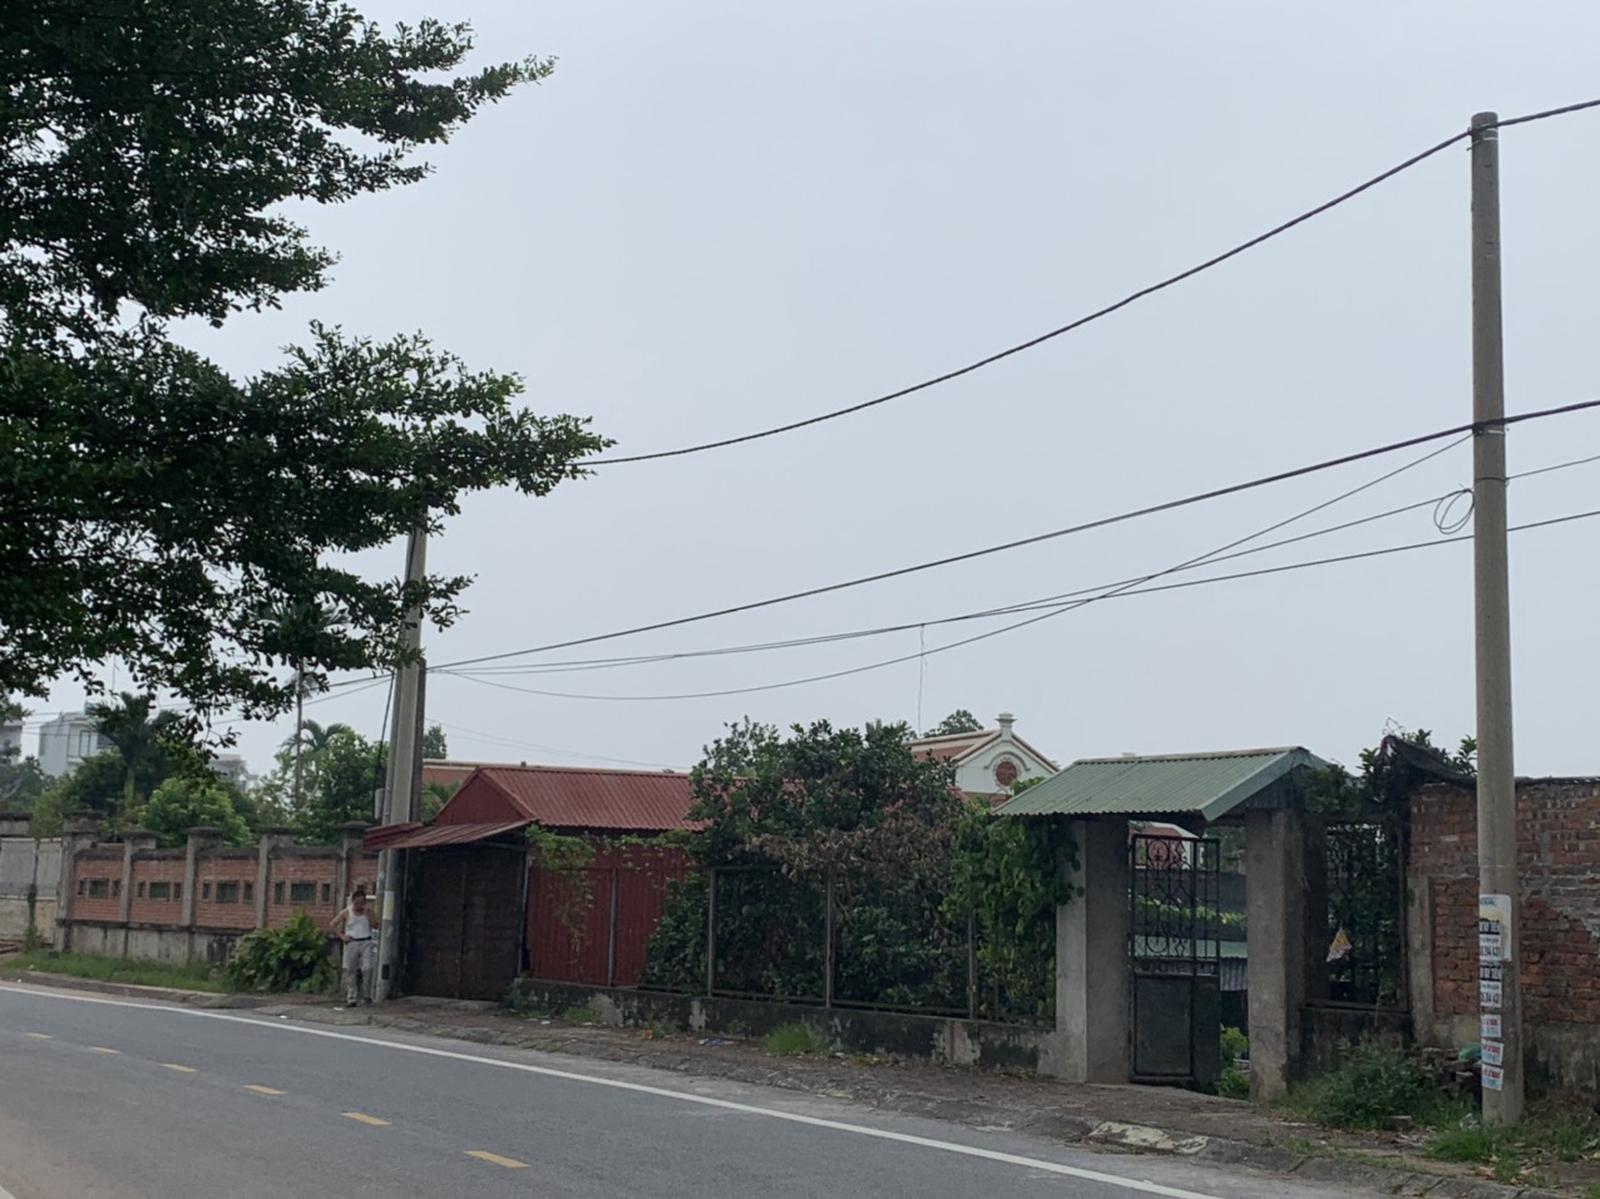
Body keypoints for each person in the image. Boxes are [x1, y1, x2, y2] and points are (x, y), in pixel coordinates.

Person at [330, 883, 380, 1007]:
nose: (360, 906)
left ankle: (367, 995)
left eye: (362, 903)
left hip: (366, 941)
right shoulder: (347, 912)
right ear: (353, 902)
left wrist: (370, 916)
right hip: (352, 942)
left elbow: (376, 926)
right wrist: (342, 936)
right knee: (351, 970)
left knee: (367, 968)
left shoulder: (368, 911)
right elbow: (333, 924)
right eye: (357, 903)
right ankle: (351, 997)